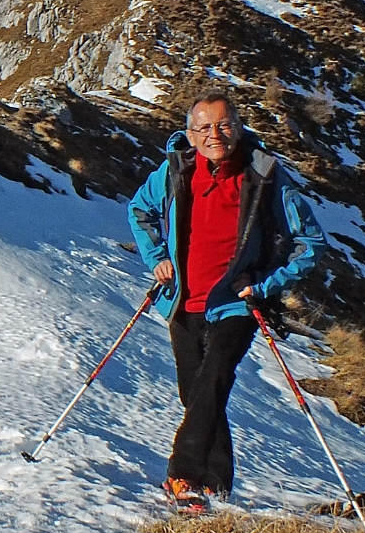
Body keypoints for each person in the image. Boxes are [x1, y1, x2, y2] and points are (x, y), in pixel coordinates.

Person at [127, 88, 326, 507]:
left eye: (223, 125)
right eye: (203, 127)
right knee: (197, 393)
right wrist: (157, 258)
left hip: (236, 302)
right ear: (190, 133)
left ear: (238, 127)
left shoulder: (264, 174)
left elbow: (309, 242)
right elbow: (139, 210)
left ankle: (184, 476)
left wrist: (266, 286)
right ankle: (217, 484)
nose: (214, 134)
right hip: (182, 300)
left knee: (213, 380)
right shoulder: (175, 170)